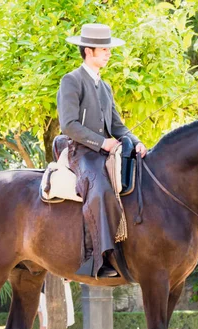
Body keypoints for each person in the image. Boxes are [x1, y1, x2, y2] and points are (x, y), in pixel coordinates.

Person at [57, 23, 147, 278]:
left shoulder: (105, 87)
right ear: (88, 51)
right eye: (104, 49)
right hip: (81, 151)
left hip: (106, 151)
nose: (109, 53)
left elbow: (117, 125)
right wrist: (101, 142)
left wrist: (137, 141)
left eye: (109, 49)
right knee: (100, 189)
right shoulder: (71, 81)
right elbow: (69, 124)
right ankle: (97, 258)